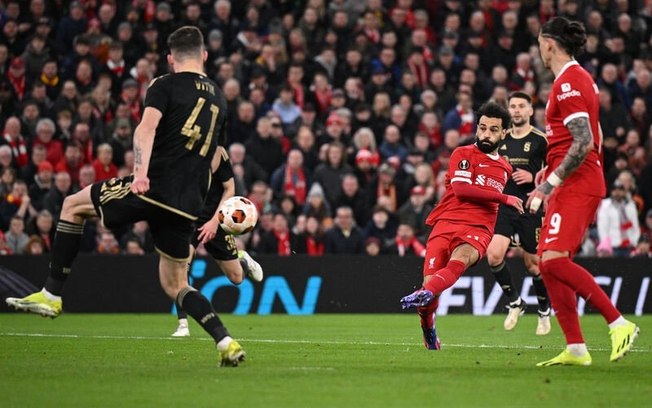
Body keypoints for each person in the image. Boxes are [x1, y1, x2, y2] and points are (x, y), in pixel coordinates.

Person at [6, 27, 247, 367]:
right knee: (175, 283)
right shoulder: (220, 98)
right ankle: (225, 341)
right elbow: (215, 157)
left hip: (155, 185)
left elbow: (145, 129)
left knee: (72, 205)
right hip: (189, 202)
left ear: (170, 58)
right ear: (204, 55)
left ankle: (51, 294)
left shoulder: (164, 84)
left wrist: (142, 171)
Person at [527, 17, 638, 367]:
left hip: (577, 184)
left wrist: (549, 183)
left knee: (554, 260)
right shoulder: (573, 81)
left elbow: (585, 141)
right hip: (572, 179)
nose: (538, 51)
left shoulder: (570, 82)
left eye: (539, 44)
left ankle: (619, 323)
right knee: (547, 264)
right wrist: (552, 165)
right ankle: (575, 347)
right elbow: (595, 135)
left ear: (548, 43)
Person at [400, 102, 523, 350]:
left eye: (493, 130)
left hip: (479, 227)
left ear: (504, 133)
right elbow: (461, 189)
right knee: (430, 294)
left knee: (462, 258)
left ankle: (425, 292)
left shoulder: (505, 168)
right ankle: (428, 325)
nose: (486, 134)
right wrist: (504, 198)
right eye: (483, 128)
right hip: (445, 222)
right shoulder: (462, 154)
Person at [172, 147, 263, 337]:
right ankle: (182, 324)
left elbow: (230, 188)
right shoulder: (182, 151)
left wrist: (215, 222)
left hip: (216, 216)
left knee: (237, 278)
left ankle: (241, 258)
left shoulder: (218, 153)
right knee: (181, 267)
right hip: (189, 218)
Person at [486, 92, 551, 335]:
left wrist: (533, 179)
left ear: (530, 111)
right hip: (504, 205)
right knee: (493, 255)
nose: (516, 110)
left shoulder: (541, 140)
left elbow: (554, 172)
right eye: (512, 106)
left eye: (521, 106)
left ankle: (544, 312)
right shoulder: (499, 139)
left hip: (531, 206)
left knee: (533, 265)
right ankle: (515, 302)